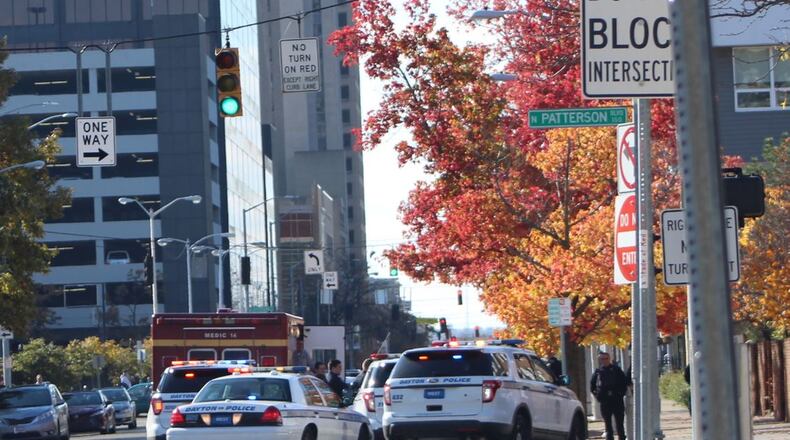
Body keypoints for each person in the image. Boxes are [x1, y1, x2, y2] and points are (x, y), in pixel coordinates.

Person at [591, 352, 628, 440]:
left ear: (609, 359)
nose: (604, 361)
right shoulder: (598, 372)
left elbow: (624, 383)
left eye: (606, 358)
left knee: (619, 423)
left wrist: (620, 394)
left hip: (617, 400)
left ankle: (621, 437)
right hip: (605, 401)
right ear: (599, 360)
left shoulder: (617, 370)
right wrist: (598, 396)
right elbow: (592, 386)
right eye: (602, 359)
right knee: (607, 424)